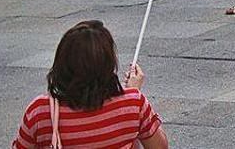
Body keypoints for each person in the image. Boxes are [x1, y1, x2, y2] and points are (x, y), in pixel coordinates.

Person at [12, 20, 168, 149]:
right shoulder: (133, 103)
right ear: (108, 64)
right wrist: (132, 94)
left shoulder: (39, 111)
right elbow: (160, 147)